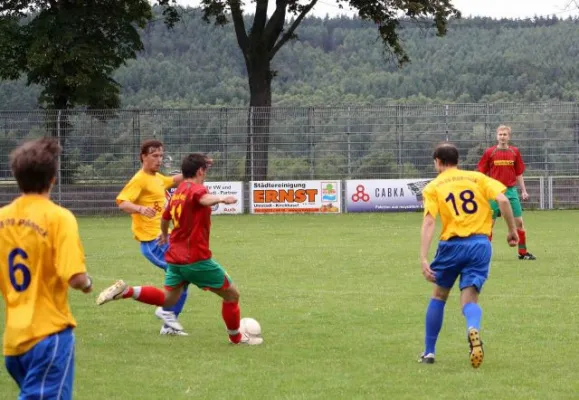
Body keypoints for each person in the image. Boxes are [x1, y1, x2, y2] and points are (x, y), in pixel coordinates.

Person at [97, 153, 263, 345]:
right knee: (232, 294)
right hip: (197, 260)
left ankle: (127, 291)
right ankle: (237, 338)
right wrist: (222, 198)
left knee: (167, 300)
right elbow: (203, 198)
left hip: (175, 258)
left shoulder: (179, 191)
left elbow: (166, 216)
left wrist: (165, 234)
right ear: (200, 171)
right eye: (205, 170)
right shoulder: (195, 190)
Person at [0, 138, 93, 399]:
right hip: (47, 336)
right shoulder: (58, 217)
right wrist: (87, 284)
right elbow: (75, 277)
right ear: (53, 178)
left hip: (13, 343)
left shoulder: (2, 218)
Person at [418, 143, 518, 368]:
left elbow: (429, 220)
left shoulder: (433, 186)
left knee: (439, 296)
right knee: (470, 299)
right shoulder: (477, 178)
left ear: (438, 162)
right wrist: (512, 231)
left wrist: (423, 257)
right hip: (480, 244)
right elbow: (503, 200)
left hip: (451, 246)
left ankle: (429, 352)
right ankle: (473, 327)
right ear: (457, 160)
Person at [116, 139, 190, 335]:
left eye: (161, 156)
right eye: (154, 156)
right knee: (183, 275)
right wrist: (140, 208)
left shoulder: (157, 178)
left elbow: (174, 180)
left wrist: (196, 169)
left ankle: (167, 323)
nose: (159, 160)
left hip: (166, 239)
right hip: (152, 242)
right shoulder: (139, 179)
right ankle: (164, 311)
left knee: (182, 278)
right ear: (143, 157)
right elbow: (122, 202)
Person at [477, 125, 536, 260]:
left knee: (519, 223)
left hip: (511, 191)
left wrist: (524, 190)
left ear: (509, 137)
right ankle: (484, 255)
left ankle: (522, 253)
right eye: (500, 134)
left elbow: (519, 173)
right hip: (494, 192)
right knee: (489, 225)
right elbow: (481, 173)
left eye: (505, 134)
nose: (502, 137)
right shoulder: (489, 152)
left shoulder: (515, 152)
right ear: (496, 136)